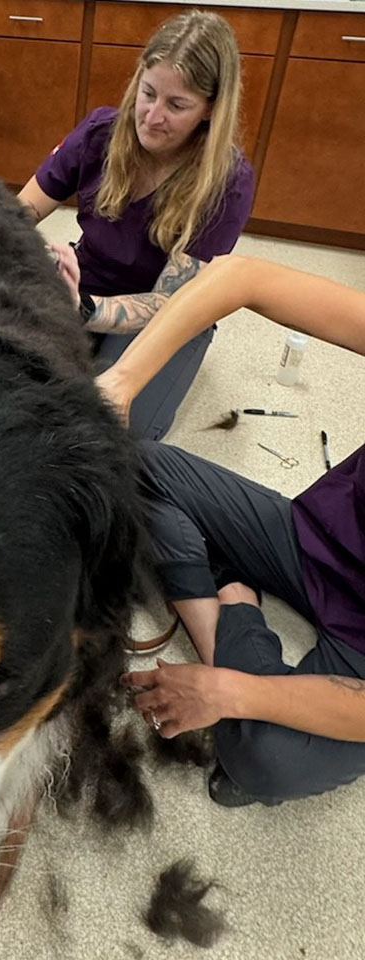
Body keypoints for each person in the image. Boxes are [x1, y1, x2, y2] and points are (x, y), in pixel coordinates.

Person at [94, 253, 365, 808]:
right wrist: (121, 382)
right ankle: (229, 600)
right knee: (135, 463)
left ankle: (232, 596)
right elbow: (241, 277)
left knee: (267, 762)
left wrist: (233, 690)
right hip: (318, 538)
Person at [18, 10, 254, 441]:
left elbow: (169, 301)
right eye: (148, 93)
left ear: (210, 110)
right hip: (88, 281)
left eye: (177, 105)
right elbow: (22, 212)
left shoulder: (227, 182)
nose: (152, 116)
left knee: (114, 425)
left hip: (172, 312)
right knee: (14, 383)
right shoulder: (100, 133)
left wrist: (83, 310)